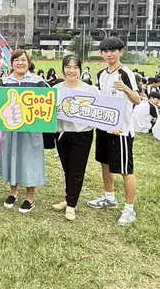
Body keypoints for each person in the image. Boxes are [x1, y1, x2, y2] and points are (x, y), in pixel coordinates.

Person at [87, 37, 141, 227]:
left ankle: (129, 209)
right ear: (101, 53)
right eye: (105, 51)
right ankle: (109, 197)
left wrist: (125, 88)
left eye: (113, 50)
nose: (109, 54)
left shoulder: (126, 73)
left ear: (121, 52)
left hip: (121, 131)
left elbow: (137, 100)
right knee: (104, 163)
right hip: (104, 127)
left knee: (126, 170)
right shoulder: (101, 74)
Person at [0, 50, 48, 214]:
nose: (20, 63)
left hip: (31, 129)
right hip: (11, 128)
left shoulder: (38, 81)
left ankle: (30, 197)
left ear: (29, 62)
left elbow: (48, 102)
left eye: (23, 60)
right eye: (16, 60)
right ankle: (13, 192)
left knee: (30, 159)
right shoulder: (5, 81)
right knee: (12, 157)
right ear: (11, 63)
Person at [52, 54, 98, 221]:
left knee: (77, 170)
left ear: (80, 69)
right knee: (67, 169)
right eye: (68, 67)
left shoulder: (90, 90)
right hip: (62, 133)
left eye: (75, 67)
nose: (71, 70)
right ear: (63, 68)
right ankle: (68, 198)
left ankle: (71, 205)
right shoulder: (55, 89)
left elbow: (100, 112)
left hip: (82, 134)